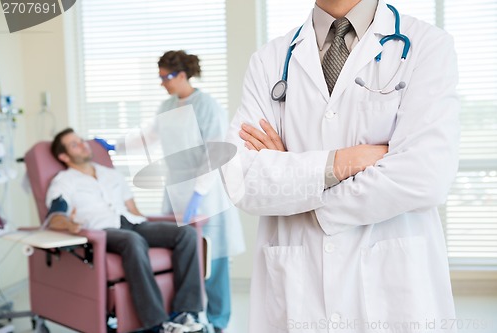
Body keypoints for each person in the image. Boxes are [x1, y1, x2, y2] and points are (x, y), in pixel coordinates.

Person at [222, 0, 460, 332]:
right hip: (297, 292)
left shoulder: (426, 45)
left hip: (393, 288)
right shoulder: (270, 61)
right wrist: (340, 162)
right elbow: (241, 179)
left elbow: (425, 176)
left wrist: (301, 191)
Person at [45, 128, 206, 333]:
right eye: (74, 144)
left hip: (133, 222)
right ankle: (157, 323)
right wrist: (69, 224)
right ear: (64, 156)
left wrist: (154, 225)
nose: (83, 144)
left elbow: (133, 209)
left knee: (187, 233)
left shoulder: (110, 174)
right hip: (102, 231)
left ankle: (185, 312)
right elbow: (55, 217)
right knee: (132, 240)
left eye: (81, 140)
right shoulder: (63, 181)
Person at [156, 50, 245, 333]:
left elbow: (215, 151)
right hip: (175, 188)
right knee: (178, 255)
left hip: (206, 190)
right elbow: (153, 136)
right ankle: (182, 316)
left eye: (166, 77)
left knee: (213, 257)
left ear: (183, 75)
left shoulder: (207, 105)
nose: (162, 83)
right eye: (159, 77)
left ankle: (218, 323)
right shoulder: (166, 107)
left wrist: (197, 193)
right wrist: (116, 146)